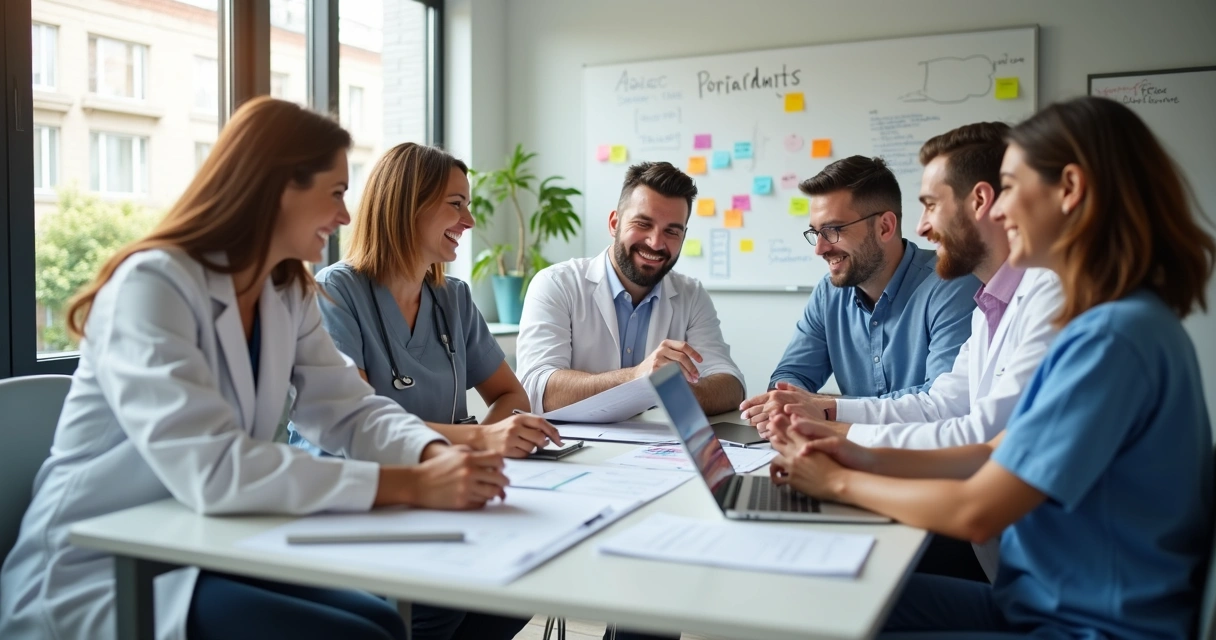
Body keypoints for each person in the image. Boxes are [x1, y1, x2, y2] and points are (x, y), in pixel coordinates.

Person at [0, 97, 510, 640]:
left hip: (207, 540)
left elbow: (349, 409)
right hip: (102, 566)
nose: (344, 216)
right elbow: (215, 470)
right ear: (278, 189)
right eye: (335, 194)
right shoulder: (153, 285)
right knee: (360, 635)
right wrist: (411, 484)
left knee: (383, 619)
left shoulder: (284, 291)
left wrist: (434, 456)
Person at [767, 96, 1215, 639]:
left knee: (829, 611)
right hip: (1035, 600)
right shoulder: (1106, 319)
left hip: (1083, 625)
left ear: (1068, 190)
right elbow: (994, 449)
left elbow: (979, 509)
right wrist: (853, 449)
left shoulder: (1110, 336)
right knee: (831, 597)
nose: (999, 212)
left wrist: (837, 480)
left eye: (1011, 190)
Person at [753, 123, 1065, 582]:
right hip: (1012, 561)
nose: (922, 226)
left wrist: (841, 446)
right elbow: (947, 405)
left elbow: (979, 438)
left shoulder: (1037, 296)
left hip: (1038, 582)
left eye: (931, 206)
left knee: (844, 596)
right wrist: (818, 417)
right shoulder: (991, 303)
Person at [285, 142, 554, 639]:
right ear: (407, 205)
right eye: (456, 204)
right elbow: (356, 422)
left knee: (526, 585)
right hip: (361, 501)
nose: (470, 220)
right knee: (440, 607)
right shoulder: (335, 293)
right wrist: (475, 441)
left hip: (440, 493)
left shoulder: (452, 298)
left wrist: (490, 446)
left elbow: (510, 395)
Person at [739, 156, 979, 432]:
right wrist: (786, 403)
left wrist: (826, 408)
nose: (819, 248)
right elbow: (791, 375)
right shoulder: (828, 293)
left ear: (885, 227)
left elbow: (944, 405)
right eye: (815, 233)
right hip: (848, 451)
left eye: (832, 231)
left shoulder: (951, 285)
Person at [517, 161, 745, 417]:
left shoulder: (691, 295)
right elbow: (537, 389)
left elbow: (731, 385)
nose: (656, 242)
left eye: (672, 231)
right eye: (643, 224)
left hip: (655, 449)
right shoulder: (556, 284)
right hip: (571, 447)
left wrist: (668, 389)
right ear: (615, 223)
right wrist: (638, 378)